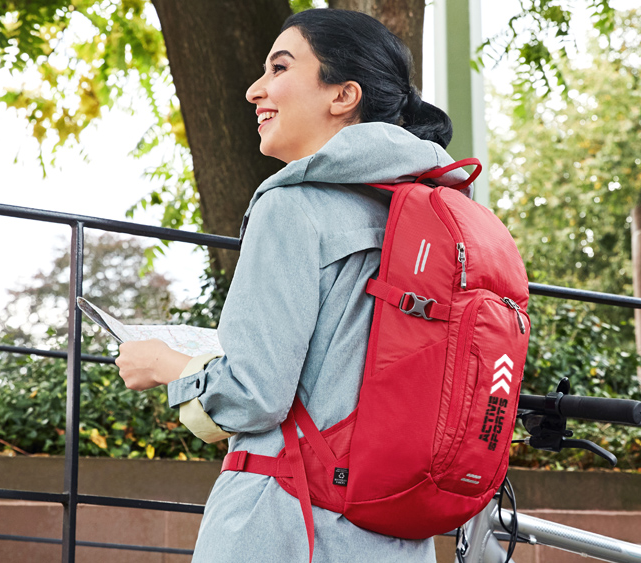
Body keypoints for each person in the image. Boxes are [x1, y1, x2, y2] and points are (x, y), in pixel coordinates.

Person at [114, 8, 471, 562]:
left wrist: (166, 365)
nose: (256, 89)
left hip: (286, 525)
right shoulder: (429, 214)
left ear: (343, 95)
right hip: (394, 535)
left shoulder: (291, 207)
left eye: (280, 68)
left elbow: (253, 396)